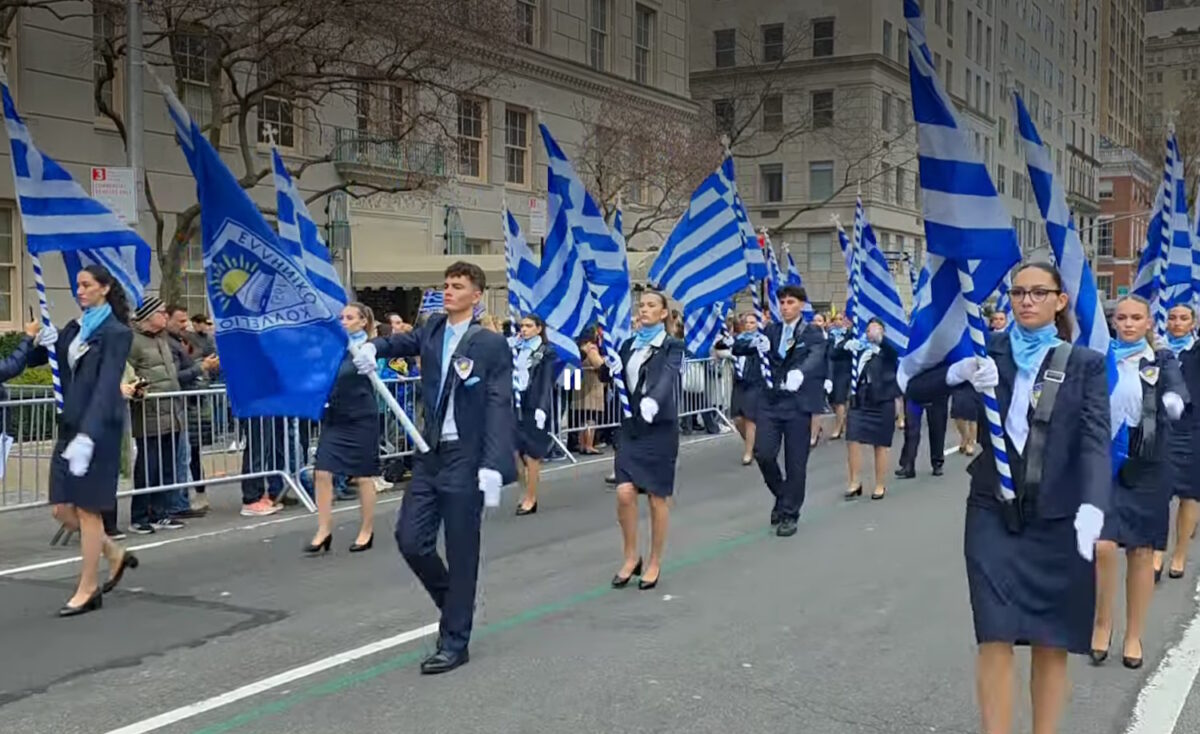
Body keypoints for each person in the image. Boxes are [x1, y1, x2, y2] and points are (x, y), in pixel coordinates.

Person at [905, 262, 1110, 734]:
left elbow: (1095, 442)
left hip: (1058, 516)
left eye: (1039, 292)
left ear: (1060, 301)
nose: (1027, 300)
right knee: (994, 634)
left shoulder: (1085, 364)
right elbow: (915, 387)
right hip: (992, 512)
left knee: (1050, 640)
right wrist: (956, 372)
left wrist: (1094, 505)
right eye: (1018, 292)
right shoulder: (986, 349)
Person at [353, 261, 515, 674]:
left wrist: (495, 464)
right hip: (430, 452)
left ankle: (454, 641)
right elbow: (400, 343)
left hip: (466, 453)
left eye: (457, 286)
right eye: (445, 285)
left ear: (476, 295)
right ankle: (455, 601)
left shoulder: (490, 344)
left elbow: (499, 404)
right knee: (411, 538)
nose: (448, 291)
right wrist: (371, 346)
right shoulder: (434, 329)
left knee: (462, 549)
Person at [30, 265, 138, 616]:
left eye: (86, 285)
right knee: (61, 508)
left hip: (98, 432)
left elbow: (108, 385)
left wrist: (89, 436)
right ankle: (112, 552)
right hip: (69, 426)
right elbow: (54, 362)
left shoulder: (116, 332)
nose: (79, 290)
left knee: (89, 513)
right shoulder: (76, 328)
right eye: (77, 285)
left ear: (104, 288)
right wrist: (38, 341)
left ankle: (88, 588)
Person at [1092, 295, 1187, 670]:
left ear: (1149, 323)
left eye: (1136, 318)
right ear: (1113, 321)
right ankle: (1103, 622)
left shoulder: (1161, 360)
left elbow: (1177, 390)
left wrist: (1174, 402)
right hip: (1103, 458)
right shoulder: (1100, 358)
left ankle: (1134, 634)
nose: (1128, 324)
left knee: (1142, 553)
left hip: (1147, 461)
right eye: (1122, 318)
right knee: (1102, 545)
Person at [732, 285, 827, 537]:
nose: (786, 307)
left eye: (791, 302)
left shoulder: (812, 332)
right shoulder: (771, 331)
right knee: (763, 453)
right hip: (771, 402)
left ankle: (789, 513)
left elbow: (816, 356)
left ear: (801, 305)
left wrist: (801, 372)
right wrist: (738, 341)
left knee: (795, 463)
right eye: (782, 302)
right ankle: (783, 495)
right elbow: (739, 348)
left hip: (798, 403)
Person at [608, 290, 683, 590]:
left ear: (664, 313)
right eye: (641, 306)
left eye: (652, 306)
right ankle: (630, 556)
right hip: (632, 428)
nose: (644, 310)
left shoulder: (671, 346)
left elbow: (668, 376)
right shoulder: (628, 345)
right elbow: (611, 377)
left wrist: (654, 400)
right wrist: (604, 365)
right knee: (624, 493)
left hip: (660, 428)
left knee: (656, 497)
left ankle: (654, 561)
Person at [306, 302, 382, 554]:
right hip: (335, 417)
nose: (343, 321)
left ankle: (367, 529)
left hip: (361, 417)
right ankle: (323, 529)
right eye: (341, 317)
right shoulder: (331, 349)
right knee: (322, 473)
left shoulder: (367, 348)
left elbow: (377, 374)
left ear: (363, 322)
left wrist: (370, 360)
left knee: (363, 476)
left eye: (349, 317)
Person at [125, 297, 186, 535]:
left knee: (167, 466)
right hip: (148, 412)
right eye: (161, 312)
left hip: (171, 411)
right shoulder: (134, 341)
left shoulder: (162, 339)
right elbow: (128, 373)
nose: (165, 315)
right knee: (148, 466)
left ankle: (161, 512)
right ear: (149, 316)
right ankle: (139, 515)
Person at [843, 318, 901, 501]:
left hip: (882, 398)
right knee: (852, 438)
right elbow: (835, 354)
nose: (871, 333)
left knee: (880, 444)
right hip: (860, 397)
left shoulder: (887, 350)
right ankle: (854, 482)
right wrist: (845, 345)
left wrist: (880, 340)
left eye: (876, 329)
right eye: (869, 330)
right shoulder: (860, 349)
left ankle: (879, 484)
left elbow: (894, 352)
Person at [1162, 304, 1200, 579]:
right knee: (1156, 494)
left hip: (1192, 429)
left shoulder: (1196, 352)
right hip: (1157, 431)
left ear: (1194, 323)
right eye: (1172, 318)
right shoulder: (1157, 352)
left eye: (1183, 318)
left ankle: (1179, 554)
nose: (1177, 323)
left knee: (1189, 493)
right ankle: (1156, 552)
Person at [513, 314, 558, 515]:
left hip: (534, 406)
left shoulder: (546, 352)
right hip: (515, 404)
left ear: (539, 329)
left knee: (532, 456)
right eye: (522, 326)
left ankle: (531, 498)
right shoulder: (516, 348)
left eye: (529, 326)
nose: (524, 329)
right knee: (515, 454)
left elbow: (546, 381)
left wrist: (542, 407)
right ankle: (524, 491)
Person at [729, 312, 766, 466]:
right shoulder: (739, 340)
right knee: (738, 419)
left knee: (751, 418)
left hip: (755, 382)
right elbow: (737, 348)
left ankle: (749, 451)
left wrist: (763, 347)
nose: (750, 325)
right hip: (740, 383)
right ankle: (754, 443)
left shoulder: (763, 340)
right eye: (747, 323)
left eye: (753, 322)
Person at [826, 313, 854, 439]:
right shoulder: (829, 335)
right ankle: (842, 423)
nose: (838, 321)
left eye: (840, 319)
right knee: (831, 399)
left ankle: (838, 428)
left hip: (843, 369)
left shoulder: (849, 335)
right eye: (835, 319)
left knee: (840, 399)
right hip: (830, 369)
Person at [810, 312, 829, 447]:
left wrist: (829, 378)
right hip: (806, 376)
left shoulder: (828, 339)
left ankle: (813, 435)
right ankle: (814, 429)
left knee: (816, 408)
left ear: (825, 323)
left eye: (820, 320)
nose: (817, 323)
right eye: (814, 320)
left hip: (820, 376)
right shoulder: (806, 337)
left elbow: (829, 360)